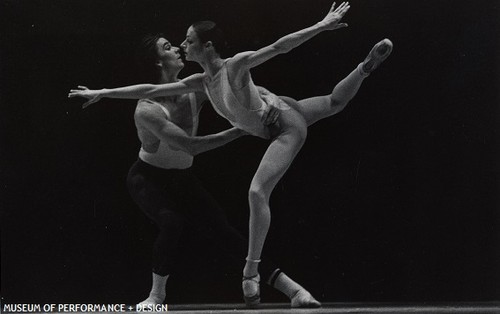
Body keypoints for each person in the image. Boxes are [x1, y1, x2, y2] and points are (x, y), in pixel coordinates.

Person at [69, 1, 393, 306]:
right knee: (334, 103)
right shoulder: (200, 82)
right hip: (281, 109)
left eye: (188, 40)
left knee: (256, 192)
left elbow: (280, 46)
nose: (183, 44)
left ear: (207, 46)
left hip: (284, 128)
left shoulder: (234, 65)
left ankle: (251, 272)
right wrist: (103, 92)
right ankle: (364, 69)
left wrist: (323, 24)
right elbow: (151, 90)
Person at [77, 33, 322, 308]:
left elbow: (241, 85)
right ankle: (155, 297)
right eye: (168, 47)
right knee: (172, 222)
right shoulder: (147, 111)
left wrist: (269, 103)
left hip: (182, 178)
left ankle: (294, 291)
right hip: (148, 178)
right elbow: (190, 146)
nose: (179, 49)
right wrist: (240, 130)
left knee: (225, 231)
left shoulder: (196, 87)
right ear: (158, 63)